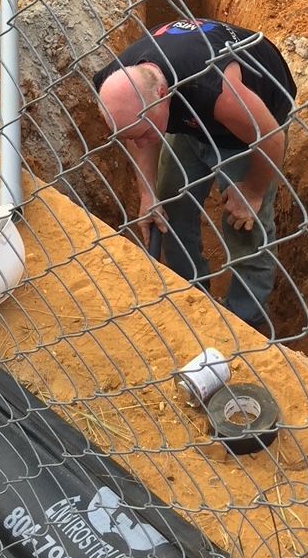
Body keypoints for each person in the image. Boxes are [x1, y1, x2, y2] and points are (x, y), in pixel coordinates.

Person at [94, 19, 296, 333]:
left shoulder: (217, 89)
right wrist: (148, 193)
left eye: (147, 131)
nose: (144, 140)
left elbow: (271, 138)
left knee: (244, 228)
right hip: (191, 116)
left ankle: (248, 321)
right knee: (171, 209)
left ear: (162, 94)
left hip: (250, 126)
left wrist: (253, 192)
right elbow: (137, 135)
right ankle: (191, 300)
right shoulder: (117, 84)